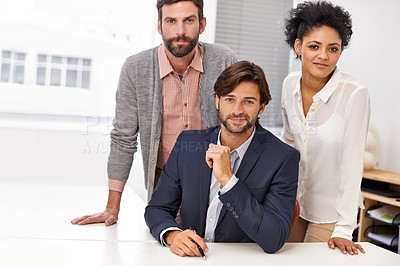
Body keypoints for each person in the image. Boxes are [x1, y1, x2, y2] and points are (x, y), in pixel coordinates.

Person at [71, 0, 237, 226]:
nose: (180, 31)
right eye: (171, 21)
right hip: (165, 182)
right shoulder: (135, 68)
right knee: (166, 250)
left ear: (202, 24)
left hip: (216, 178)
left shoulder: (224, 60)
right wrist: (112, 208)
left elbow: (239, 123)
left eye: (189, 20)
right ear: (159, 26)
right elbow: (123, 137)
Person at [145, 61, 300, 256]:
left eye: (249, 101)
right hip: (189, 259)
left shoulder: (283, 158)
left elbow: (274, 238)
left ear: (262, 107)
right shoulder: (189, 144)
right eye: (229, 99)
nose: (237, 110)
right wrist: (173, 235)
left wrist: (229, 181)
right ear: (217, 101)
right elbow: (157, 208)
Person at [281, 1, 370, 255]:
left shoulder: (355, 93)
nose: (323, 56)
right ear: (298, 46)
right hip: (294, 205)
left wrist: (344, 228)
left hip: (331, 214)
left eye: (333, 48)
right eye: (314, 46)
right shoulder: (289, 85)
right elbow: (289, 144)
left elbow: (352, 164)